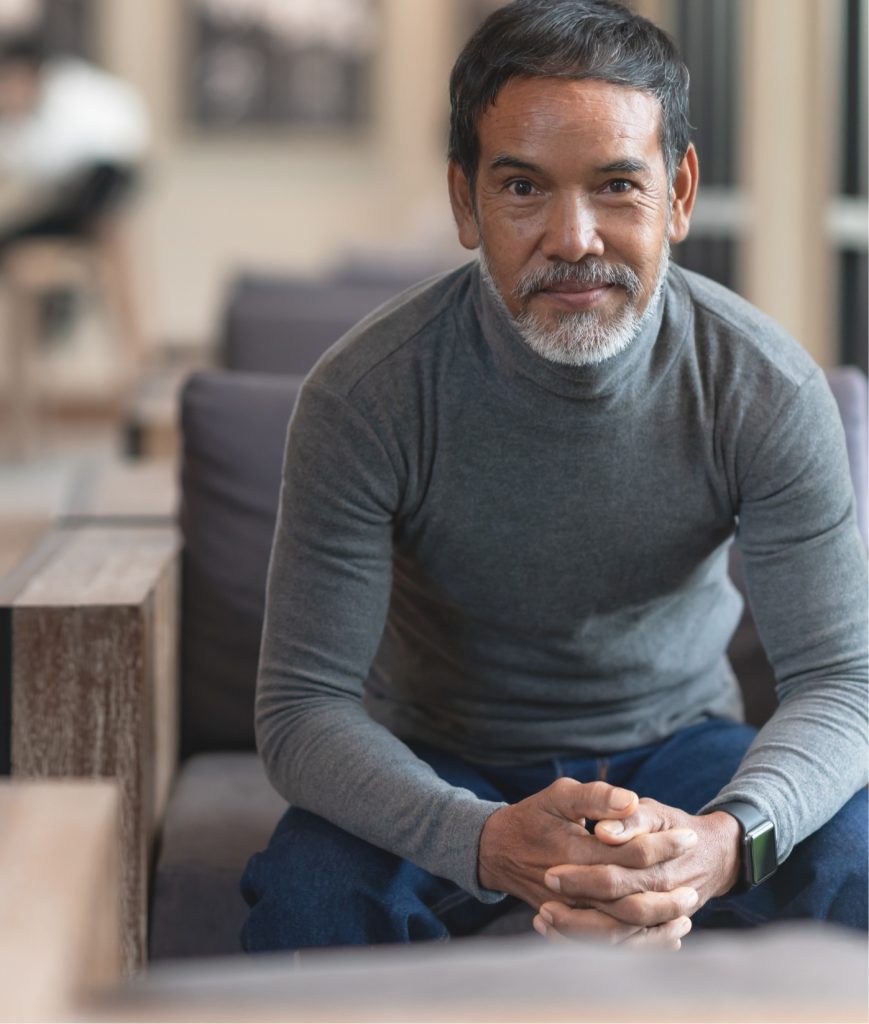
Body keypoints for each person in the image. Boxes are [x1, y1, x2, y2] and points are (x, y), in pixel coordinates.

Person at [241, 0, 868, 951]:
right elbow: (301, 712)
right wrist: (483, 840)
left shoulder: (763, 387)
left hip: (685, 748)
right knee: (310, 903)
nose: (574, 238)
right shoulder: (364, 395)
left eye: (617, 185)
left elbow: (840, 682)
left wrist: (723, 841)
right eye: (524, 187)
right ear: (465, 202)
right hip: (438, 754)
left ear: (680, 192)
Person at [0, 35, 148, 257]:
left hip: (105, 177)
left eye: (11, 81)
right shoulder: (18, 125)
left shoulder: (70, 92)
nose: (7, 91)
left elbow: (122, 139)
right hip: (74, 191)